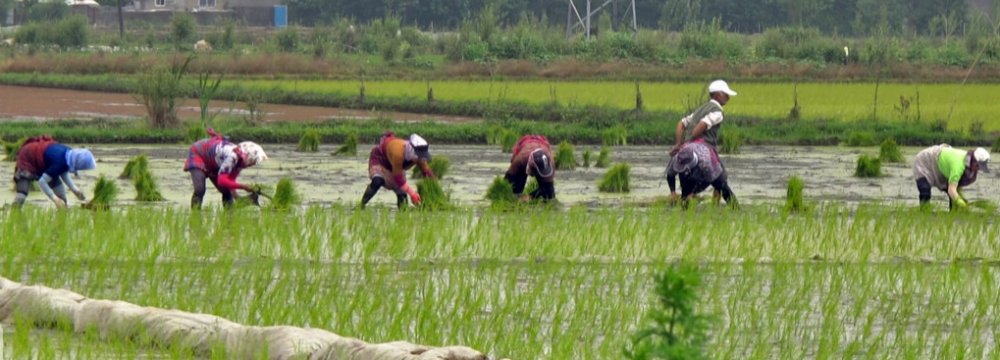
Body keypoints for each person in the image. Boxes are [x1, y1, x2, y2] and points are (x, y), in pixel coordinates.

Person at [184, 128, 268, 209]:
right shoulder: (233, 157)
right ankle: (195, 215)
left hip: (214, 161)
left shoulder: (240, 162)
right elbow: (222, 180)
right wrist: (244, 187)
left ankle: (229, 217)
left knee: (227, 191)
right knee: (200, 190)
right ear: (248, 156)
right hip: (199, 154)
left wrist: (236, 196)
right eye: (254, 161)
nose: (253, 164)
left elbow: (230, 180)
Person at [12, 135, 96, 208]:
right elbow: (42, 182)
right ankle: (14, 212)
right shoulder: (60, 161)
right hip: (28, 156)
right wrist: (54, 199)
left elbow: (63, 170)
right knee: (22, 194)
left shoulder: (68, 154)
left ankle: (61, 215)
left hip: (46, 161)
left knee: (61, 194)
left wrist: (75, 190)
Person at [360, 131, 435, 209]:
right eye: (419, 155)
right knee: (377, 181)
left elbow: (427, 173)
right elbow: (398, 178)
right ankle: (361, 205)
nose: (420, 158)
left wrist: (434, 187)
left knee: (403, 199)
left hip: (396, 166)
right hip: (381, 160)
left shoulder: (418, 157)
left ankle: (402, 215)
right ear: (411, 149)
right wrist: (412, 193)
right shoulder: (398, 153)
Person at [670, 79, 738, 156]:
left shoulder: (700, 109)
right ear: (718, 95)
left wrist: (679, 144)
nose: (728, 98)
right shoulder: (717, 112)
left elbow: (681, 123)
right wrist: (691, 140)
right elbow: (703, 124)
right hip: (704, 150)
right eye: (726, 95)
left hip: (688, 148)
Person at [913, 144, 990, 210]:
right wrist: (961, 202)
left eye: (980, 167)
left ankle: (953, 212)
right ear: (973, 161)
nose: (978, 169)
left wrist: (959, 199)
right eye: (977, 166)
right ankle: (924, 212)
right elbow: (951, 190)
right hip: (926, 160)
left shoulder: (969, 165)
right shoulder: (958, 166)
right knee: (925, 189)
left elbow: (956, 186)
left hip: (943, 166)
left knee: (954, 199)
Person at [665, 139, 735, 205]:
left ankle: (735, 207)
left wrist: (693, 193)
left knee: (722, 185)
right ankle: (685, 208)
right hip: (694, 149)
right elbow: (670, 175)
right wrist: (673, 192)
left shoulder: (706, 164)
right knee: (685, 196)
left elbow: (707, 180)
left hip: (711, 162)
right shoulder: (677, 158)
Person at [504, 135, 555, 201]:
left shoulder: (550, 163)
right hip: (526, 146)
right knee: (516, 189)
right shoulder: (520, 161)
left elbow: (548, 189)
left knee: (549, 196)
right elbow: (507, 181)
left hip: (542, 145)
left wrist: (530, 196)